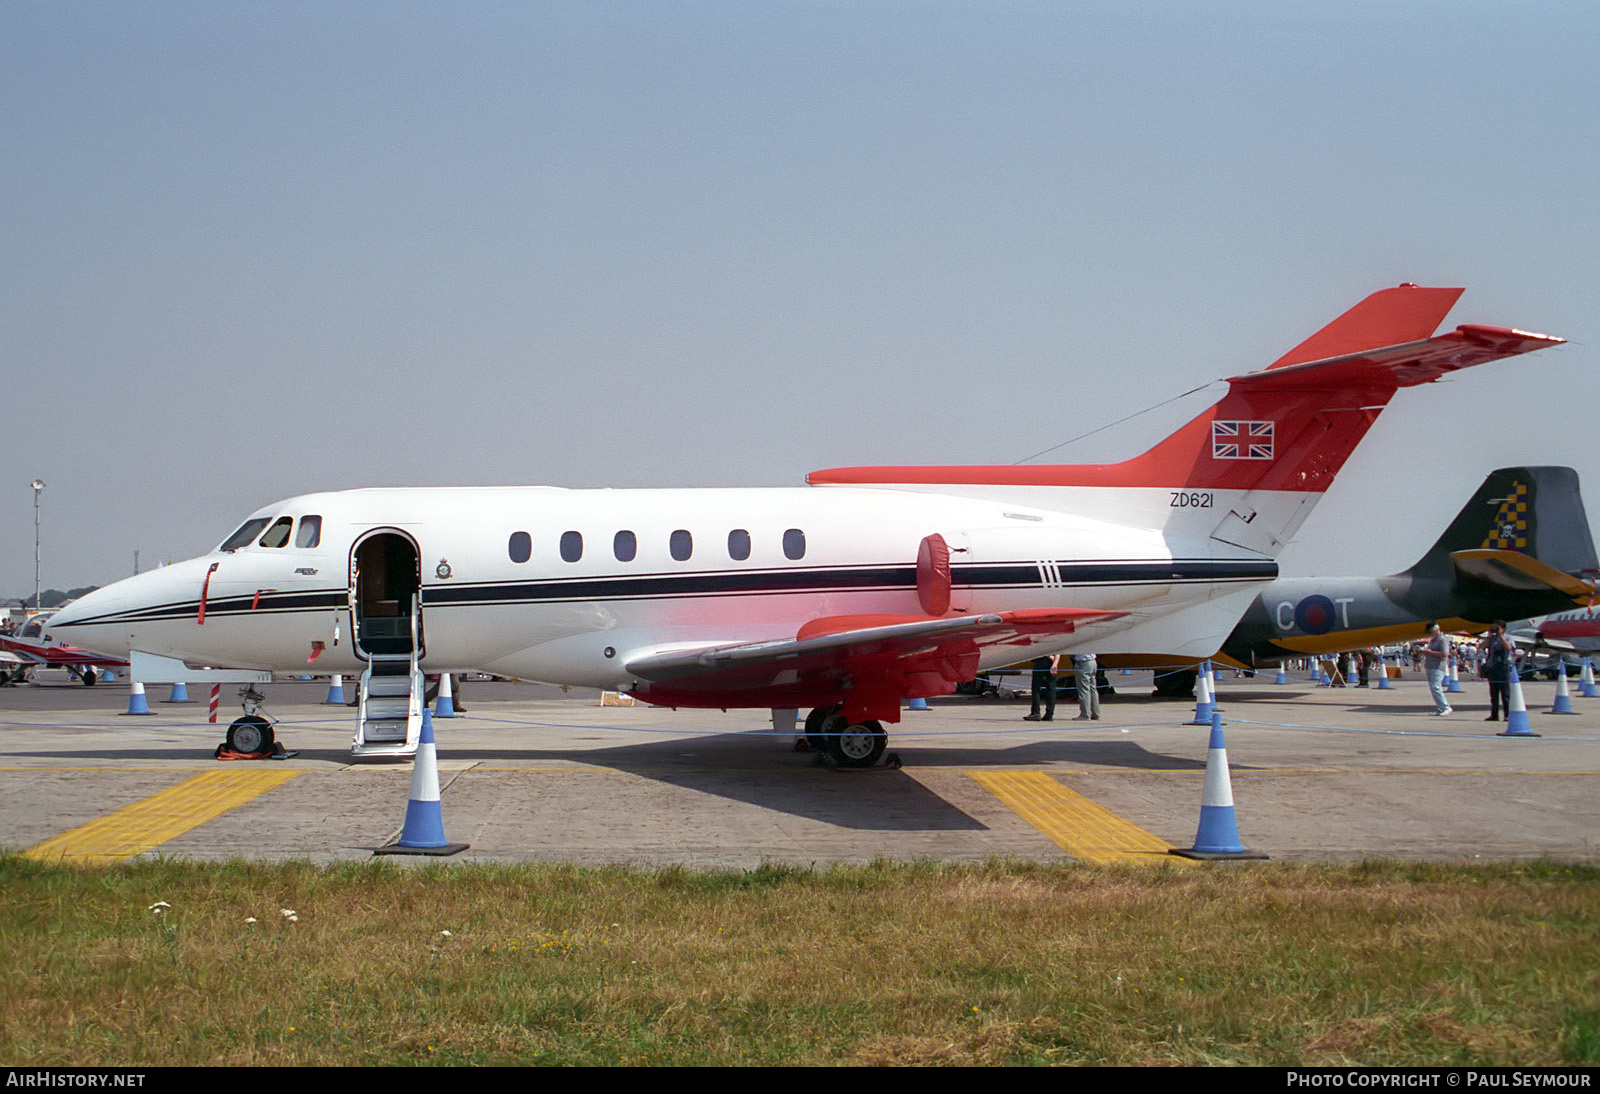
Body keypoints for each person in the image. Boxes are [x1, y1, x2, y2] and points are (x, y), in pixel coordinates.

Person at [1480, 622, 1514, 722]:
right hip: (1493, 667)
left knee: (1505, 694)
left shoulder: (1508, 637)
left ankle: (1507, 714)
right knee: (1493, 694)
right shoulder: (1492, 639)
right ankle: (1494, 715)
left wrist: (1501, 636)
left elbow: (1508, 647)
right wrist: (1489, 637)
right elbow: (1482, 647)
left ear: (1503, 628)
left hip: (1503, 667)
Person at [1420, 622, 1452, 715]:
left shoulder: (1442, 640)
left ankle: (1445, 707)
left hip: (1437, 666)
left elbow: (1445, 654)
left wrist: (1429, 652)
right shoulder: (1434, 640)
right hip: (1430, 666)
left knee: (1436, 687)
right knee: (1433, 687)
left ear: (1435, 629)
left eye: (1430, 631)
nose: (1429, 633)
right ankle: (1440, 707)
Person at [1025, 655, 1057, 721]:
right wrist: (1055, 663)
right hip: (1052, 662)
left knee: (1036, 688)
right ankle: (1049, 713)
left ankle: (1036, 712)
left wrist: (1048, 655)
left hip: (1042, 660)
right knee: (1050, 688)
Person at [1073, 652, 1100, 720]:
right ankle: (1095, 713)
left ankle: (1085, 714)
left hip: (1083, 662)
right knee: (1093, 689)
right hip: (1092, 661)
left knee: (1084, 689)